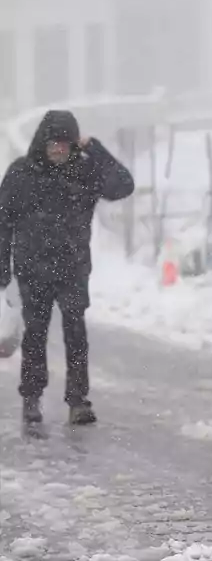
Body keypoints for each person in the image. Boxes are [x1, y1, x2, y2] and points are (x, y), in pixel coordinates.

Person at [0, 110, 135, 434]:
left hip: (73, 267)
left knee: (76, 333)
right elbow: (2, 224)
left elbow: (123, 186)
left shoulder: (85, 170)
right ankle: (31, 398)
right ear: (42, 144)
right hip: (33, 268)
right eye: (53, 144)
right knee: (35, 334)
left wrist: (97, 149)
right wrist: (2, 271)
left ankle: (78, 401)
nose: (58, 150)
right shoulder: (21, 173)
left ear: (74, 145)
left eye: (65, 144)